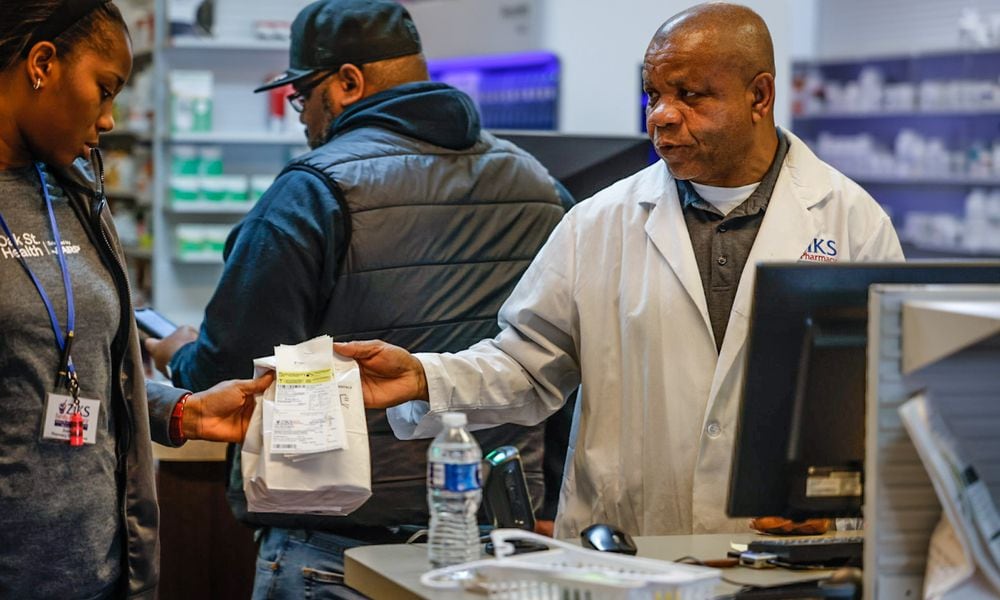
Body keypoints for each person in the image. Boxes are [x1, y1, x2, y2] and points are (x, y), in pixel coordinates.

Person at [335, 2, 905, 540]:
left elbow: (887, 396)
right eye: (653, 94)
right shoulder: (599, 222)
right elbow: (528, 366)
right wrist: (424, 377)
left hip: (781, 554)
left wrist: (842, 510)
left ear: (760, 96)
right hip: (623, 550)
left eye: (690, 95)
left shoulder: (851, 221)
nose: (662, 116)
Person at [144, 0, 573, 596]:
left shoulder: (311, 192)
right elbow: (565, 363)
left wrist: (177, 352)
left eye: (302, 97)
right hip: (489, 545)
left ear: (347, 83)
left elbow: (229, 372)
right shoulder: (542, 187)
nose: (301, 117)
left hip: (334, 551)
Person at [0, 1, 274, 598]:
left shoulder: (76, 195)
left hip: (99, 573)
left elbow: (72, 371)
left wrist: (182, 411)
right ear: (42, 64)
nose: (107, 119)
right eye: (103, 89)